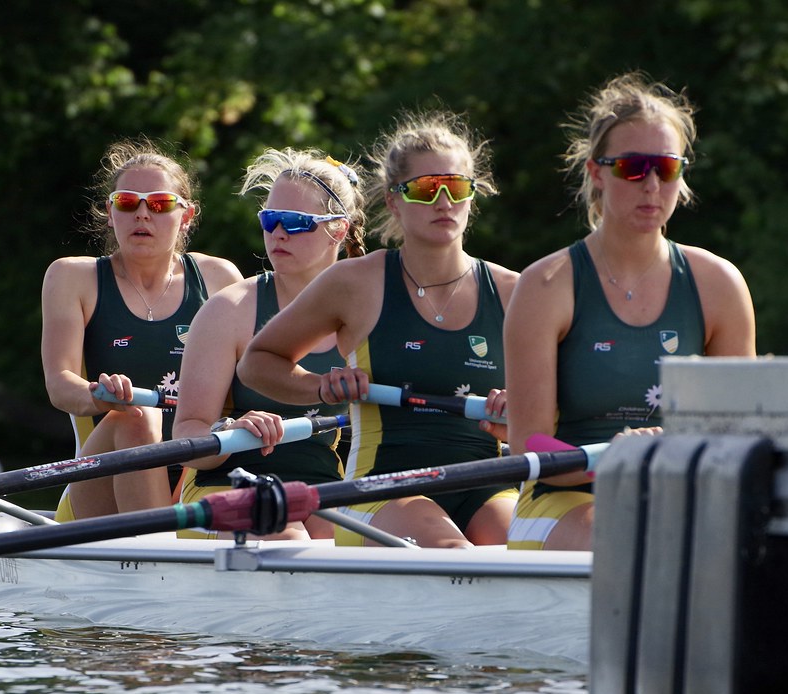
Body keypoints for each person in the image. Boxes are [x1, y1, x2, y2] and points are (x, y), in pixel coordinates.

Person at [238, 111, 519, 548]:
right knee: (452, 552)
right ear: (393, 199)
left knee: (513, 548)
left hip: (485, 481)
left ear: (472, 196)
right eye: (426, 189)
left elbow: (558, 413)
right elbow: (257, 364)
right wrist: (322, 387)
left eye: (457, 187)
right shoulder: (355, 284)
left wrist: (520, 417)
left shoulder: (513, 291)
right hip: (382, 485)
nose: (444, 200)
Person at [504, 72, 757, 551]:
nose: (653, 184)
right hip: (565, 498)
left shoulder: (718, 283)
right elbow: (529, 445)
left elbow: (737, 432)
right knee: (631, 537)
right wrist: (619, 459)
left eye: (667, 167)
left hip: (674, 496)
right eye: (634, 168)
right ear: (597, 172)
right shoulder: (547, 284)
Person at [41, 138, 243, 521]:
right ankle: (161, 556)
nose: (142, 214)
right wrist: (102, 397)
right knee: (137, 416)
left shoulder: (219, 277)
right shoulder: (72, 277)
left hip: (198, 472)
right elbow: (60, 384)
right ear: (110, 211)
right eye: (128, 202)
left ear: (186, 215)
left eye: (161, 204)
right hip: (100, 483)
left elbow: (247, 382)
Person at [172, 149, 366, 540]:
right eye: (270, 219)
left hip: (321, 488)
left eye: (295, 222)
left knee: (360, 539)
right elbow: (185, 434)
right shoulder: (229, 310)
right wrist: (228, 429)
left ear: (339, 229)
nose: (278, 232)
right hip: (225, 483)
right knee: (290, 540)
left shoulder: (365, 315)